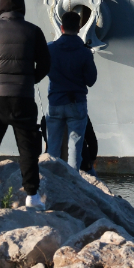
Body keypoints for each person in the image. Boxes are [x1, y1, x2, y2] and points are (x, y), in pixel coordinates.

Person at [0, 0, 51, 208]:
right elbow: (45, 64)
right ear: (22, 9)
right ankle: (32, 196)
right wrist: (30, 80)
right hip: (22, 98)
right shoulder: (34, 31)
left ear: (1, 9)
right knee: (27, 148)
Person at [46, 12, 98, 171]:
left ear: (61, 27)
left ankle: (51, 180)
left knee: (53, 146)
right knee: (75, 148)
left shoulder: (50, 49)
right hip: (76, 102)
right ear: (79, 28)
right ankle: (73, 181)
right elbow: (91, 80)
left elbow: (43, 70)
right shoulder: (85, 52)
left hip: (55, 102)